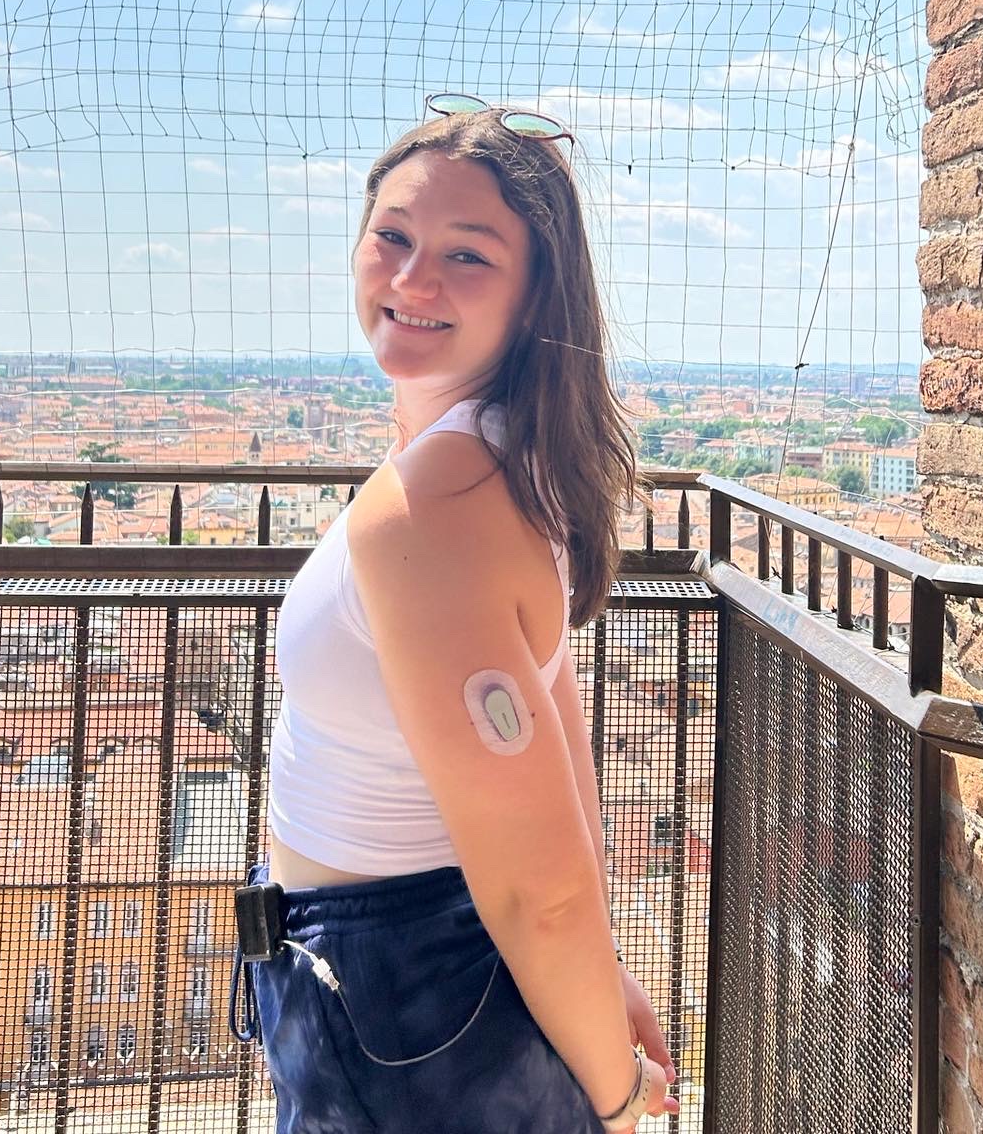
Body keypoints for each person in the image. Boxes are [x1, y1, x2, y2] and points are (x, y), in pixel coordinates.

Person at [234, 97, 680, 1132]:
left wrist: (611, 1103)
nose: (413, 278)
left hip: (404, 995)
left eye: (467, 256)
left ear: (533, 299)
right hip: (412, 981)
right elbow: (562, 750)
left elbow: (544, 890)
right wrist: (601, 984)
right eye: (392, 236)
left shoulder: (439, 500)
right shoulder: (495, 458)